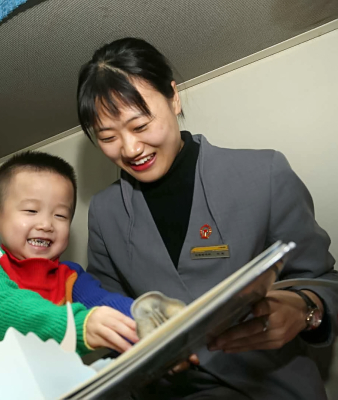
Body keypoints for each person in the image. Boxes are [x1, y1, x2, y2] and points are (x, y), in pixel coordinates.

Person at [76, 37, 337, 399]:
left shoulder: (265, 174)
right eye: (107, 136)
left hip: (270, 387)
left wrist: (306, 309)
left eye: (139, 125)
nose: (131, 149)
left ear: (173, 97)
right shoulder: (104, 213)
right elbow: (108, 307)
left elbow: (324, 279)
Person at [0, 151, 141, 380]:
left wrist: (147, 323)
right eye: (31, 211)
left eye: (60, 215)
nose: (46, 224)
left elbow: (105, 303)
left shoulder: (71, 276)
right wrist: (79, 326)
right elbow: (4, 309)